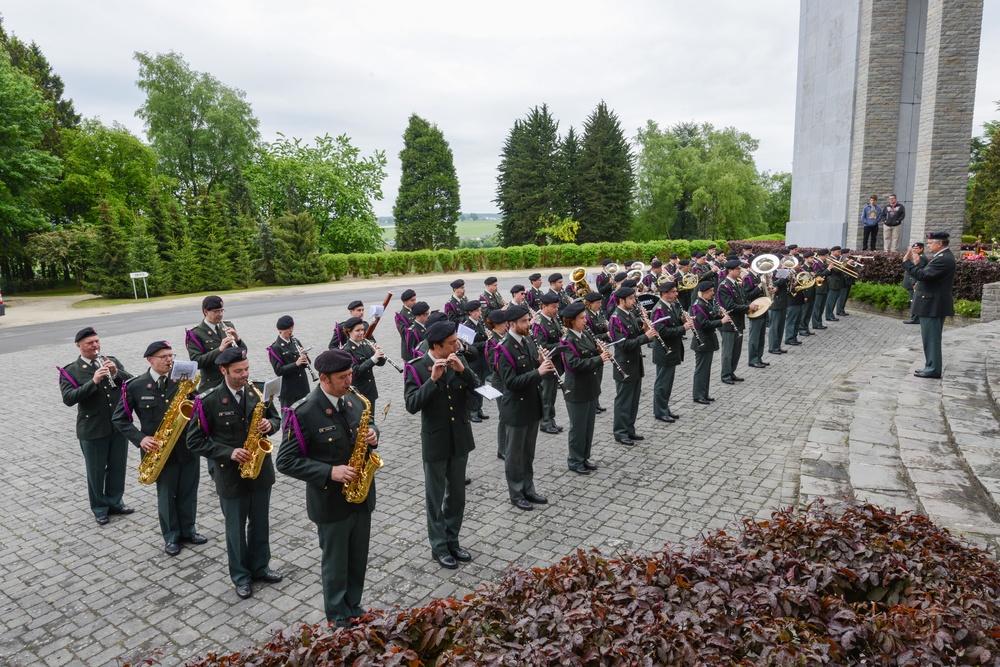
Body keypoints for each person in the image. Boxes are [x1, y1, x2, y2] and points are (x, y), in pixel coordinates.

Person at [275, 348, 380, 627]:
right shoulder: (304, 411)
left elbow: (371, 425)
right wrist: (329, 471)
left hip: (361, 494)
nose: (350, 380)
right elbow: (285, 461)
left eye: (350, 374)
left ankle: (353, 605)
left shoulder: (354, 399)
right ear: (323, 378)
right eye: (343, 377)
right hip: (331, 501)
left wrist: (373, 435)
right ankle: (337, 614)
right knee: (335, 563)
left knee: (358, 557)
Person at [186, 347, 282, 599]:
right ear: (223, 371)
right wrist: (228, 452)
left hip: (260, 469)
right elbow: (194, 442)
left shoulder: (258, 390)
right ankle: (241, 576)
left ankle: (261, 567)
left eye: (246, 369)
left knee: (260, 524)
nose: (244, 375)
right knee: (236, 529)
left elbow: (277, 419)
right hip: (230, 474)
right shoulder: (207, 400)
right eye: (238, 371)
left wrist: (270, 424)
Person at [112, 340, 205, 555]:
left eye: (171, 355)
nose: (169, 360)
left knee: (188, 492)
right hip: (158, 450)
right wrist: (141, 439)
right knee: (167, 495)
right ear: (150, 360)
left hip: (187, 446)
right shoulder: (134, 385)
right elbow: (120, 419)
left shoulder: (183, 380)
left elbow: (198, 406)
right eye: (164, 356)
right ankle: (171, 536)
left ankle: (188, 531)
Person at [403, 322, 478, 569]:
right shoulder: (416, 368)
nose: (457, 345)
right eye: (452, 343)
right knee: (435, 499)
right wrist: (432, 380)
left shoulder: (458, 360)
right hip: (435, 440)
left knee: (456, 496)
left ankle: (453, 541)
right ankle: (439, 547)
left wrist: (463, 372)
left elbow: (477, 392)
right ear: (436, 346)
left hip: (460, 438)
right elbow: (412, 405)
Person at [59, 327, 134, 525]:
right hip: (92, 428)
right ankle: (100, 508)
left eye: (97, 342)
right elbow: (68, 398)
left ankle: (115, 502)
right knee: (96, 471)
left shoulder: (112, 361)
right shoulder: (71, 370)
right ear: (79, 346)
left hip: (117, 425)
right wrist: (93, 381)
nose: (95, 346)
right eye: (90, 343)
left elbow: (132, 383)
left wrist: (116, 373)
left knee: (117, 468)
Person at [496, 305, 556, 506]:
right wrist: (538, 372)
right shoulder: (503, 349)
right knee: (514, 456)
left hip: (532, 405)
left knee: (528, 453)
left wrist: (539, 361)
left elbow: (529, 367)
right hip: (516, 409)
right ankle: (516, 494)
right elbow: (511, 383)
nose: (528, 324)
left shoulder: (528, 340)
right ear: (511, 324)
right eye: (523, 321)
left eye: (528, 320)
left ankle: (528, 489)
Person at [560, 301, 611, 474]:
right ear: (572, 321)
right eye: (582, 318)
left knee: (588, 427)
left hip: (590, 387)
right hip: (577, 390)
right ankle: (574, 461)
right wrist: (599, 359)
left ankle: (584, 457)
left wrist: (599, 351)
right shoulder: (567, 341)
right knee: (578, 428)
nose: (585, 321)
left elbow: (590, 353)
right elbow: (574, 364)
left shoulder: (586, 334)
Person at [903, 231, 956, 379]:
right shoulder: (942, 257)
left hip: (932, 304)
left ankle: (932, 368)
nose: (928, 245)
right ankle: (931, 366)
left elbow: (923, 275)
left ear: (939, 244)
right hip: (933, 303)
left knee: (931, 338)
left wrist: (906, 263)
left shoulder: (943, 258)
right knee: (932, 338)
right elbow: (927, 274)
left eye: (930, 243)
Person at [608, 286, 657, 446]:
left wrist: (644, 327)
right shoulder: (616, 318)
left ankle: (629, 429)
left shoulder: (629, 315)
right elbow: (624, 344)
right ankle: (620, 432)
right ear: (622, 300)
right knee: (624, 401)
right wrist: (646, 337)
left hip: (635, 363)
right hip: (625, 365)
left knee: (634, 399)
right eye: (631, 299)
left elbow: (634, 334)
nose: (634, 301)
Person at [186, 295, 246, 392]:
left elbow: (243, 353)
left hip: (232, 381)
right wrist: (219, 350)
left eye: (222, 310)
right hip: (212, 385)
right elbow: (196, 362)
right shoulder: (195, 333)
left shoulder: (228, 325)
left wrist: (237, 339)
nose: (220, 314)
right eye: (216, 311)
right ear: (206, 312)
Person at [651, 281, 692, 422]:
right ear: (664, 294)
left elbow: (673, 323)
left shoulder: (672, 306)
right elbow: (661, 331)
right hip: (664, 351)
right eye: (673, 292)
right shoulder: (658, 309)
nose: (676, 294)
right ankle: (660, 411)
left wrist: (681, 320)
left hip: (672, 350)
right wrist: (683, 328)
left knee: (668, 383)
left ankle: (665, 408)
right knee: (662, 383)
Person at [717, 259, 759, 384]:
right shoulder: (724, 286)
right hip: (729, 323)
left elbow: (742, 300)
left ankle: (731, 371)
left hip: (738, 321)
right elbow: (730, 305)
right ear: (730, 271)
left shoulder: (736, 283)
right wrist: (748, 307)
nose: (740, 271)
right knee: (728, 351)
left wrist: (749, 305)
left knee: (736, 351)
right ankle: (725, 375)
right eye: (737, 269)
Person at [690, 281, 731, 404]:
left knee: (706, 370)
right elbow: (703, 324)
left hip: (708, 341)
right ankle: (698, 395)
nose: (713, 293)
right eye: (711, 291)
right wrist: (721, 321)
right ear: (703, 292)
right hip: (702, 341)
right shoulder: (698, 305)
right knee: (701, 370)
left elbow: (710, 318)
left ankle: (704, 393)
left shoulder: (706, 303)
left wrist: (718, 316)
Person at [532, 292, 564, 435]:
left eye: (557, 306)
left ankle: (551, 419)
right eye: (553, 307)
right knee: (546, 395)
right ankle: (545, 422)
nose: (556, 309)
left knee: (552, 394)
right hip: (546, 363)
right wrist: (560, 344)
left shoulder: (553, 319)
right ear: (544, 307)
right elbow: (541, 346)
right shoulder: (540, 324)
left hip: (555, 363)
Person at [267, 315, 311, 415]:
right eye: (288, 329)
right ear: (280, 330)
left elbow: (306, 363)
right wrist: (296, 364)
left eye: (292, 328)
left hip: (302, 387)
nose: (291, 331)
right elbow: (279, 371)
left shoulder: (295, 341)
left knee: (305, 416)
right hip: (289, 390)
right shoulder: (276, 347)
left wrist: (305, 356)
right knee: (288, 418)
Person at [341, 317, 386, 411]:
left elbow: (381, 363)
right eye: (357, 330)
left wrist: (379, 353)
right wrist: (374, 358)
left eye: (362, 330)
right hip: (358, 391)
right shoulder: (346, 350)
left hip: (370, 390)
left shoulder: (365, 344)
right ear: (349, 332)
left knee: (371, 421)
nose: (361, 333)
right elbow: (356, 371)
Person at [484, 309, 510, 460]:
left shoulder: (504, 337)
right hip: (500, 383)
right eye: (505, 323)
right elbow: (494, 365)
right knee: (504, 416)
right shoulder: (492, 341)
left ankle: (508, 445)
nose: (507, 325)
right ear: (498, 324)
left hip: (507, 381)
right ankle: (502, 449)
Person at [462, 301, 490, 423]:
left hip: (482, 360)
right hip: (473, 361)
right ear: (470, 312)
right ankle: (472, 411)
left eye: (480, 311)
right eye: (477, 311)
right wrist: (486, 343)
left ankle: (479, 409)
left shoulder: (480, 324)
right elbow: (468, 346)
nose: (480, 313)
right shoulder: (465, 327)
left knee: (482, 385)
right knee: (474, 386)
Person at [902, 242, 927, 324]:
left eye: (917, 248)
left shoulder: (921, 257)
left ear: (921, 249)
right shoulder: (918, 256)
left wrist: (914, 283)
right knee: (913, 300)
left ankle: (914, 319)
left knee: (914, 301)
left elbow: (918, 271)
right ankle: (914, 318)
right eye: (914, 249)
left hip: (915, 284)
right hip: (912, 283)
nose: (915, 250)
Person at [810, 250, 832, 331]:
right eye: (826, 256)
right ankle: (815, 323)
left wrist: (830, 268)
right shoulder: (816, 264)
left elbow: (828, 274)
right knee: (817, 307)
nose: (827, 257)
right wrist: (829, 269)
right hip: (819, 288)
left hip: (824, 287)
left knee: (822, 306)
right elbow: (819, 274)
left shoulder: (824, 263)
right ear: (821, 256)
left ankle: (819, 322)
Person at [394, 289, 418, 359]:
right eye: (412, 300)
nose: (414, 302)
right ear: (405, 301)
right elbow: (403, 331)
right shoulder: (401, 315)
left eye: (415, 300)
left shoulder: (416, 310)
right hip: (409, 347)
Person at [824, 247, 846, 322]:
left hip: (838, 282)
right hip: (833, 282)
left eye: (840, 252)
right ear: (833, 252)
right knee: (831, 300)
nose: (840, 253)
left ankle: (830, 314)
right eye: (838, 252)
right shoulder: (830, 259)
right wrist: (844, 265)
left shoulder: (838, 259)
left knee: (834, 299)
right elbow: (836, 270)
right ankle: (829, 315)